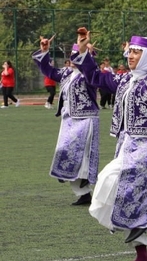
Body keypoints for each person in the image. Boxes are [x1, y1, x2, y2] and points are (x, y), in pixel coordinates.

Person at [76, 32, 147, 261]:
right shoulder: (125, 79)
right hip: (127, 144)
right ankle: (141, 254)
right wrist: (83, 51)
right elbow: (96, 77)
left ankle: (138, 236)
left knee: (118, 184)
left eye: (136, 52)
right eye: (130, 52)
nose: (130, 56)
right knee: (119, 189)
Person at [32, 40, 100, 205]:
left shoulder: (90, 74)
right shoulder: (66, 73)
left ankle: (85, 181)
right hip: (69, 120)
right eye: (72, 54)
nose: (73, 58)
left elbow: (90, 68)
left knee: (83, 154)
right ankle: (81, 191)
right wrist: (44, 51)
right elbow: (48, 70)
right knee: (64, 151)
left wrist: (88, 55)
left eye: (77, 54)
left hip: (85, 119)